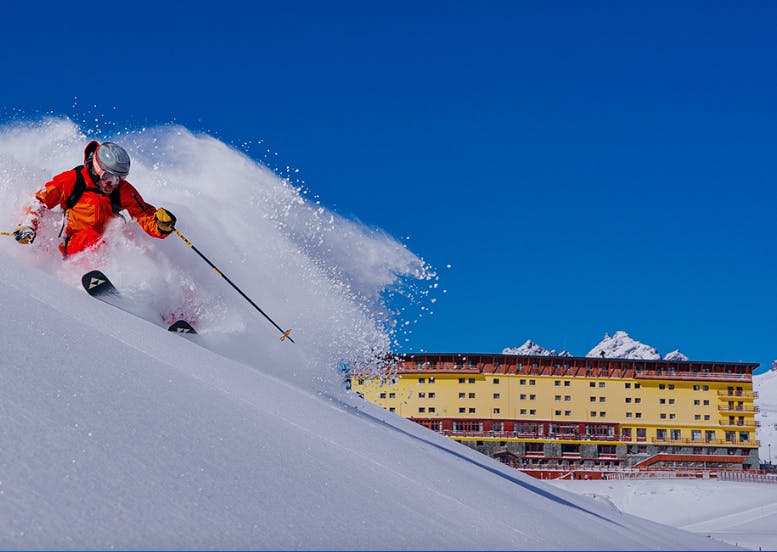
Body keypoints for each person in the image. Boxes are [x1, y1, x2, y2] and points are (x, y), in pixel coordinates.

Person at [13, 140, 176, 257]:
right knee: (93, 239)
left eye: (120, 179)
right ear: (98, 169)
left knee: (131, 242)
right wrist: (29, 225)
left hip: (105, 246)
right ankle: (95, 278)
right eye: (109, 178)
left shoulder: (121, 190)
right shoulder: (73, 180)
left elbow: (144, 214)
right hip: (71, 244)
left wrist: (161, 225)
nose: (113, 184)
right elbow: (39, 201)